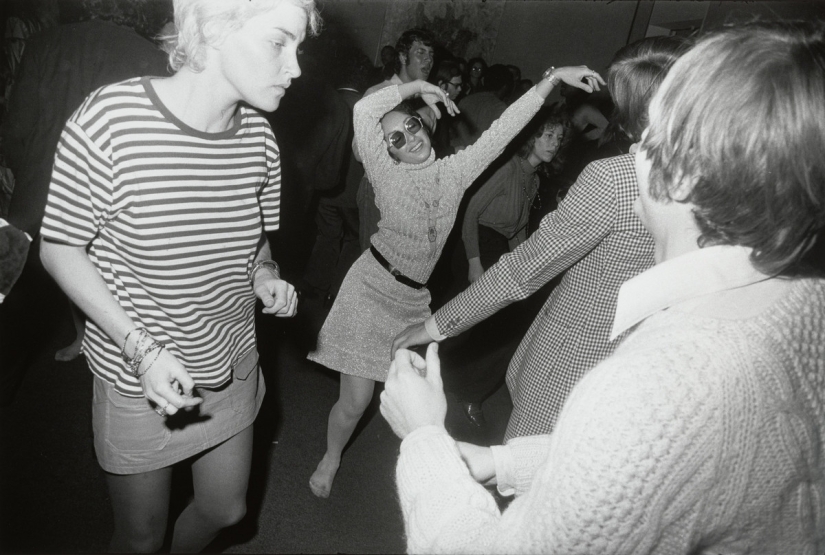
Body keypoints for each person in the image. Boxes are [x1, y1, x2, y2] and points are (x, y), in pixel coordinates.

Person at [381, 19, 825, 553]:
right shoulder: (807, 304)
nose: (632, 154)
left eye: (652, 140)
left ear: (689, 171)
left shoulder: (646, 387)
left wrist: (426, 435)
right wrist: (500, 462)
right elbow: (643, 465)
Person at [37, 0, 315, 550]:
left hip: (231, 361)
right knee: (140, 538)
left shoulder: (259, 139)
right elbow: (59, 248)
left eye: (300, 47)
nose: (297, 68)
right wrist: (140, 349)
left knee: (225, 508)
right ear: (214, 27)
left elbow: (256, 239)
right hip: (142, 374)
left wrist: (263, 274)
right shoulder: (110, 120)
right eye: (279, 41)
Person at [307, 65, 604, 498]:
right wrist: (409, 86)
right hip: (370, 291)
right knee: (354, 402)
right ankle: (331, 457)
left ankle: (422, 473)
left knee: (418, 399)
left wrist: (552, 80)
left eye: (411, 125)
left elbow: (504, 130)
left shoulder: (456, 172)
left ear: (423, 124)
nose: (410, 139)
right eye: (396, 139)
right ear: (387, 152)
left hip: (413, 301)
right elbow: (365, 111)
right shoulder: (386, 175)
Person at [393, 36, 688, 441]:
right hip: (627, 374)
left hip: (569, 366)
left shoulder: (616, 178)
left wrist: (433, 327)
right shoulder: (704, 186)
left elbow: (520, 271)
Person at [442, 108, 570, 427]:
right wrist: (474, 262)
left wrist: (527, 269)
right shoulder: (509, 169)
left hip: (497, 248)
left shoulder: (534, 179)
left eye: (559, 138)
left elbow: (517, 230)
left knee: (489, 323)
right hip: (475, 244)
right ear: (532, 138)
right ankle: (431, 374)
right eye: (548, 135)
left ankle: (461, 387)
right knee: (461, 320)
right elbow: (471, 212)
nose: (554, 143)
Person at [355, 28, 436, 253]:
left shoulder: (427, 100)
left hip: (412, 193)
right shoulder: (379, 93)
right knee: (375, 261)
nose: (428, 60)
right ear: (402, 57)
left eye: (431, 54)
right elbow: (359, 150)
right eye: (421, 52)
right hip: (378, 190)